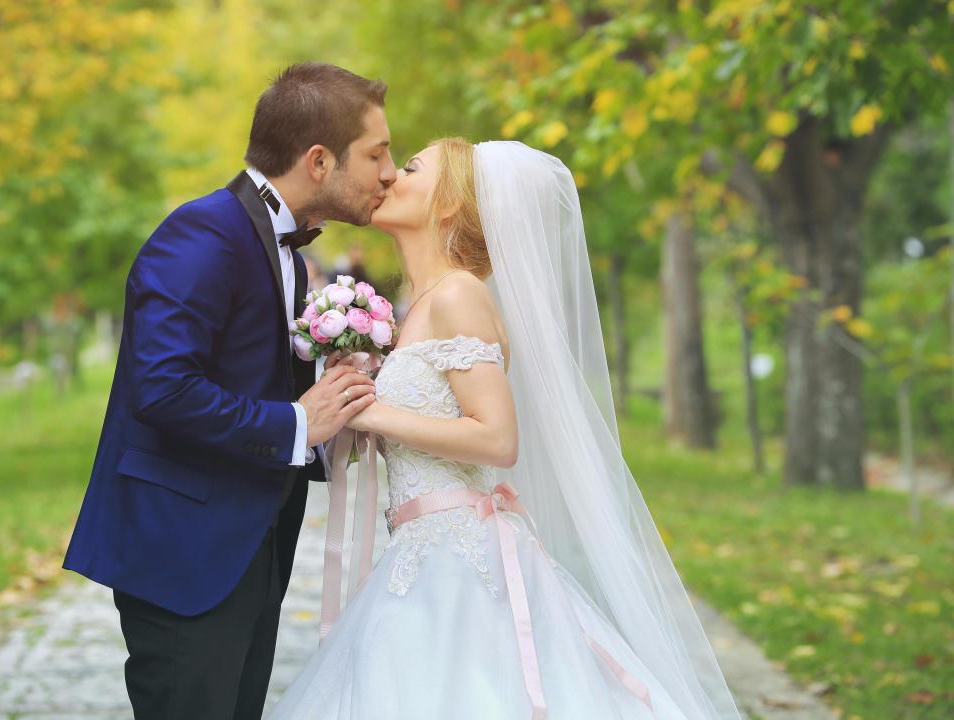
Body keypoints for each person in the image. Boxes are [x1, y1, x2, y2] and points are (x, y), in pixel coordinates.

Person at [268, 139, 741, 718]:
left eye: (411, 167)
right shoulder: (416, 306)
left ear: (447, 207)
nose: (389, 175)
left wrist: (370, 411)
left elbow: (497, 438)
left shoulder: (460, 294)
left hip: (462, 560)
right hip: (419, 550)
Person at [62, 63, 394, 720]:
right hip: (184, 555)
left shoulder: (290, 257)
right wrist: (297, 424)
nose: (389, 172)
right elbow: (161, 388)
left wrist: (335, 415)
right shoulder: (203, 233)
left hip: (250, 552)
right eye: (378, 154)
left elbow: (267, 390)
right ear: (320, 160)